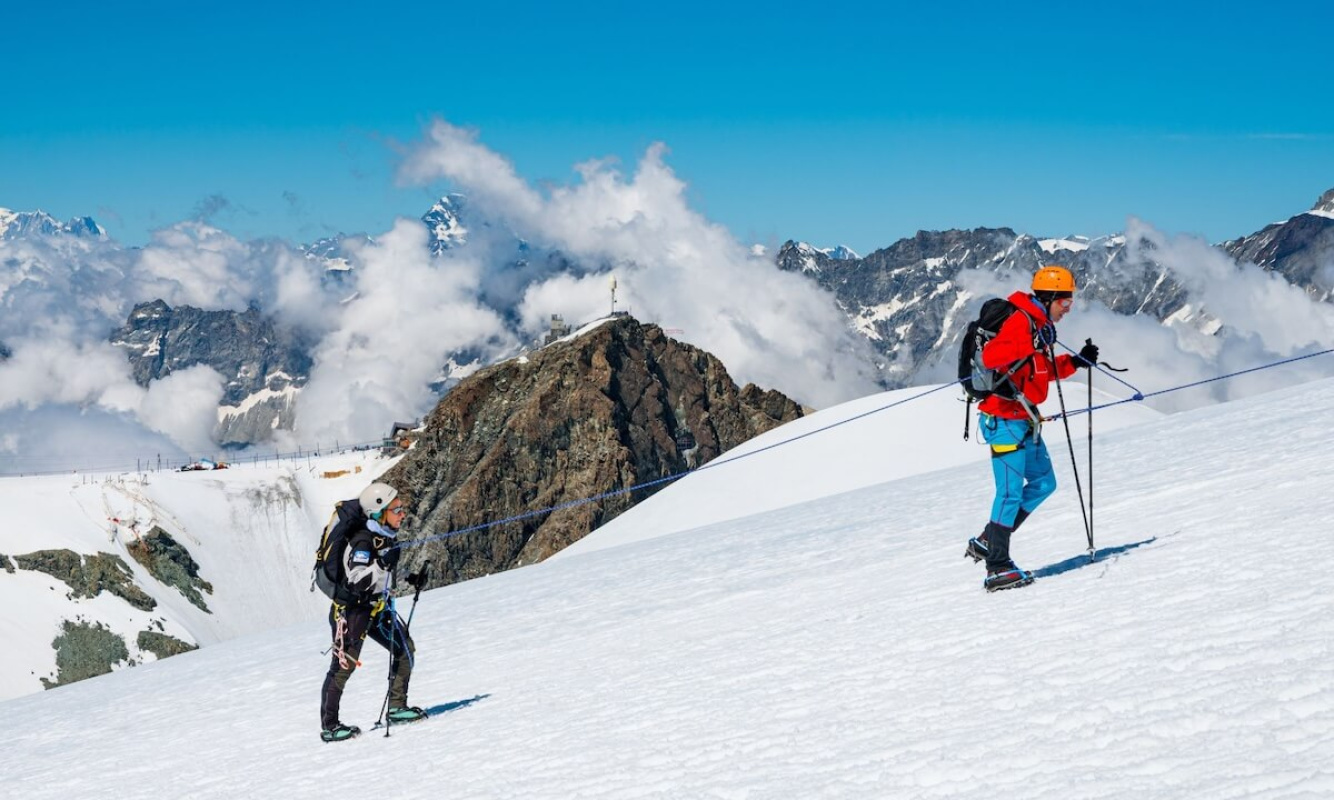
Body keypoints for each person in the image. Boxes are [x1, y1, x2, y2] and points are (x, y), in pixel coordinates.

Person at [964, 265, 1099, 592]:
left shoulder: (1037, 324)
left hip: (1023, 419)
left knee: (1043, 482)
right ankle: (997, 567)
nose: (1068, 309)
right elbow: (994, 356)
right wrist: (1032, 340)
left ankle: (988, 539)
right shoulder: (1021, 321)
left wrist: (1076, 362)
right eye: (1065, 302)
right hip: (1003, 420)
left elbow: (1038, 370)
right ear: (1050, 297)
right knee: (1009, 493)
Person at [319, 482, 428, 741]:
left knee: (405, 650)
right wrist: (381, 564)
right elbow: (357, 580)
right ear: (379, 513)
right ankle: (330, 726)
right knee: (342, 668)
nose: (403, 514)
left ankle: (397, 707)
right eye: (397, 509)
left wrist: (409, 578)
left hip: (375, 608)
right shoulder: (362, 542)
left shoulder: (383, 537)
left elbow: (382, 574)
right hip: (352, 614)